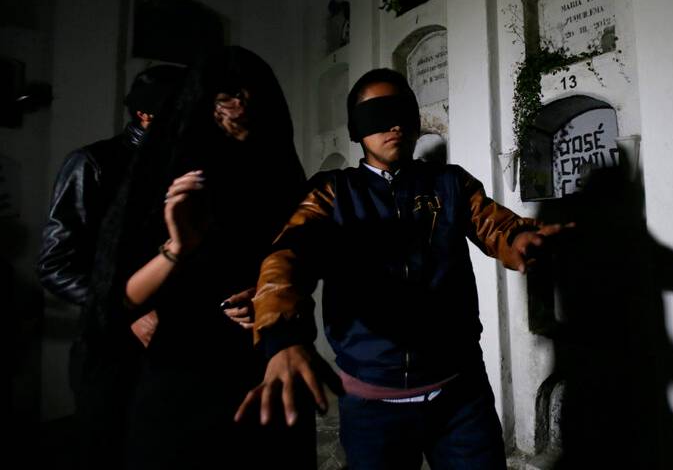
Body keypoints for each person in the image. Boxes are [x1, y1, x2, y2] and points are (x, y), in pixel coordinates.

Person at [236, 68, 569, 469]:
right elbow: (288, 256)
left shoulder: (450, 184)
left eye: (401, 112)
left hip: (460, 397)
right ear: (356, 129)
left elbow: (494, 224)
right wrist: (282, 334)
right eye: (378, 115)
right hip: (372, 405)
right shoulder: (331, 192)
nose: (393, 124)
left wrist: (518, 239)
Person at [93, 46, 314, 469]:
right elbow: (118, 300)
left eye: (252, 97)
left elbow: (303, 264)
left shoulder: (280, 177)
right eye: (227, 96)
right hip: (182, 374)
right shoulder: (166, 177)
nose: (240, 109)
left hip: (263, 366)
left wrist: (270, 297)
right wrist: (177, 248)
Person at [38, 64, 183, 470]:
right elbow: (55, 264)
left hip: (176, 350)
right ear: (145, 114)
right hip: (110, 350)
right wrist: (126, 313)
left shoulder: (187, 169)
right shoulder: (91, 163)